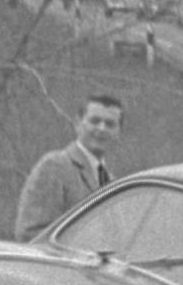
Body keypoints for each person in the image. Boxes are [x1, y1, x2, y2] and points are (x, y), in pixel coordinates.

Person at [14, 94, 122, 239]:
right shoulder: (55, 167)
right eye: (95, 121)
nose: (102, 129)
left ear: (118, 132)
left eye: (110, 124)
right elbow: (30, 233)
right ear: (77, 123)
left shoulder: (113, 183)